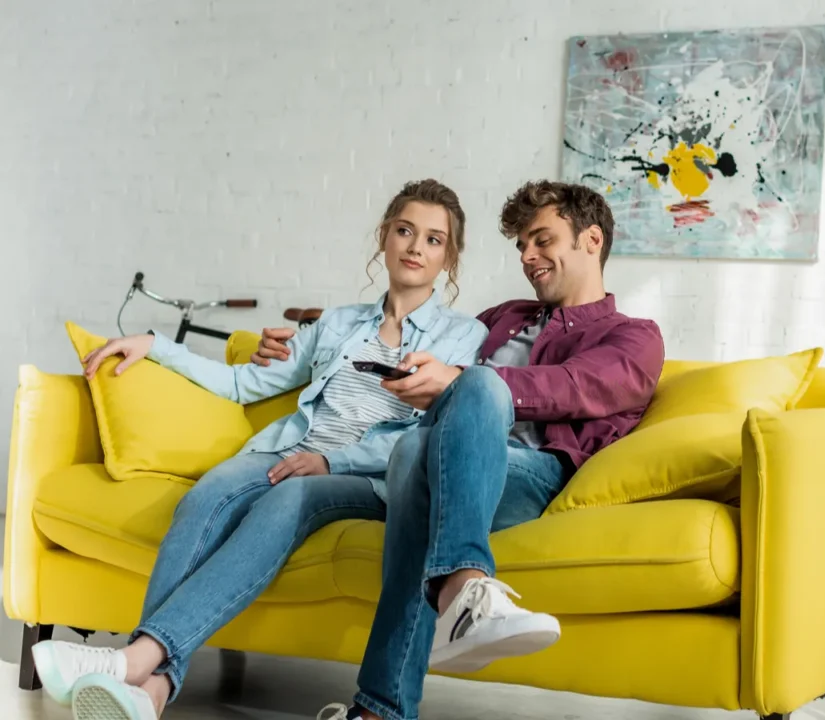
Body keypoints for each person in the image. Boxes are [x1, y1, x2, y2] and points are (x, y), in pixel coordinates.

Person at [33, 179, 490, 720]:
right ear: (384, 237)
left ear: (449, 259)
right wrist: (156, 345)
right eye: (405, 230)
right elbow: (241, 384)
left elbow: (427, 439)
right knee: (209, 493)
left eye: (434, 240)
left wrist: (330, 461)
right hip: (288, 452)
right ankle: (150, 689)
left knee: (286, 501)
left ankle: (136, 662)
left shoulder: (464, 337)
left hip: (362, 476)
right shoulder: (337, 324)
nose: (416, 247)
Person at [253, 180, 665, 720]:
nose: (527, 256)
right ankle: (431, 644)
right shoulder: (501, 318)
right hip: (427, 455)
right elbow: (417, 339)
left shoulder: (633, 336)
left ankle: (461, 591)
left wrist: (465, 382)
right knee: (412, 453)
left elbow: (573, 386)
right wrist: (304, 344)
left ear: (591, 240)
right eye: (521, 245)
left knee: (469, 400)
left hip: (526, 472)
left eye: (541, 240)